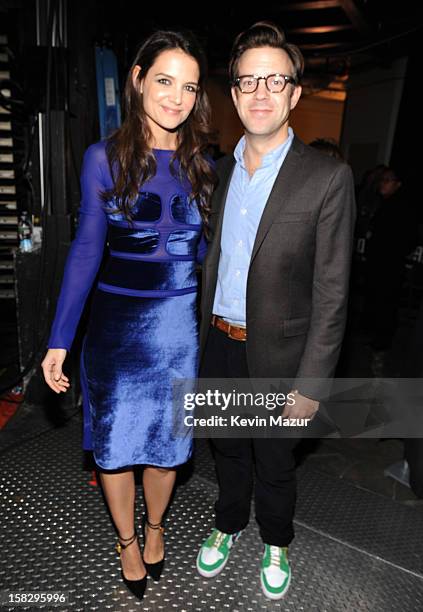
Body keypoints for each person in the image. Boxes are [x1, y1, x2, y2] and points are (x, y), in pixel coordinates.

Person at [41, 29, 215, 602]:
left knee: (167, 447)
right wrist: (59, 338)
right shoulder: (102, 157)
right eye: (165, 81)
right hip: (116, 329)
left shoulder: (203, 163)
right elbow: (88, 249)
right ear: (137, 80)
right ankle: (125, 541)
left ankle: (158, 525)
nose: (177, 98)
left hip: (179, 331)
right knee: (115, 446)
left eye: (189, 87)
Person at [195, 21, 355, 600]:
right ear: (234, 93)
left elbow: (333, 292)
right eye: (247, 81)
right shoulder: (216, 172)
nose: (260, 92)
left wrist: (311, 385)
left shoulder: (328, 177)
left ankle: (276, 539)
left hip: (282, 354)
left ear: (294, 92)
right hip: (217, 341)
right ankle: (228, 523)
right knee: (227, 448)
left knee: (275, 459)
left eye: (275, 80)